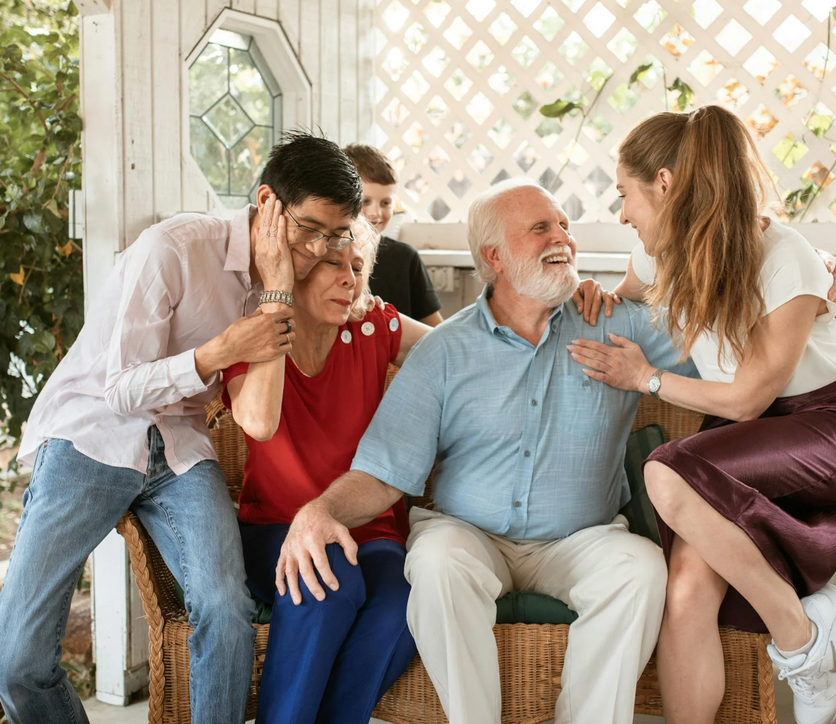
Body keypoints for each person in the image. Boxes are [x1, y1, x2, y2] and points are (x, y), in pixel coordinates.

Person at [272, 178, 703, 724]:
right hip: (468, 534)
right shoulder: (445, 350)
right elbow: (383, 474)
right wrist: (322, 510)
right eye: (542, 227)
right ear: (494, 256)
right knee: (434, 561)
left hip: (581, 539)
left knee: (640, 569)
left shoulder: (616, 324)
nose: (563, 238)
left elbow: (721, 344)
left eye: (565, 226)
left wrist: (806, 286)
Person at [0, 131, 363, 724]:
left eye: (334, 235)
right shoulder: (175, 248)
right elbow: (121, 388)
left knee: (224, 608)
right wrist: (217, 352)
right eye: (309, 228)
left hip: (183, 450)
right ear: (267, 202)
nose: (319, 249)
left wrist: (278, 289)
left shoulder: (288, 280)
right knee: (15, 660)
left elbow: (265, 410)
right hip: (93, 434)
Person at [567, 105, 836, 724]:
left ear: (664, 185)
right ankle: (804, 623)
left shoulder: (785, 257)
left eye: (625, 195)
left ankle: (798, 635)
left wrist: (649, 378)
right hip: (737, 445)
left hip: (827, 431)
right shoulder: (660, 258)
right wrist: (592, 293)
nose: (622, 213)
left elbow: (747, 399)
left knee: (665, 473)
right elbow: (621, 293)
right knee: (684, 589)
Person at [223, 210, 431, 724]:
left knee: (402, 606)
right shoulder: (252, 337)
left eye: (358, 267)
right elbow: (256, 422)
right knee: (327, 574)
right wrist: (278, 320)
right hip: (274, 527)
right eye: (334, 264)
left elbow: (457, 349)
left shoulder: (372, 326)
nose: (349, 278)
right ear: (297, 269)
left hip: (371, 528)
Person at [343, 143, 444, 326]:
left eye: (385, 203)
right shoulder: (329, 257)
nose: (376, 213)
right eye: (365, 201)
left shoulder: (406, 258)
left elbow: (435, 327)